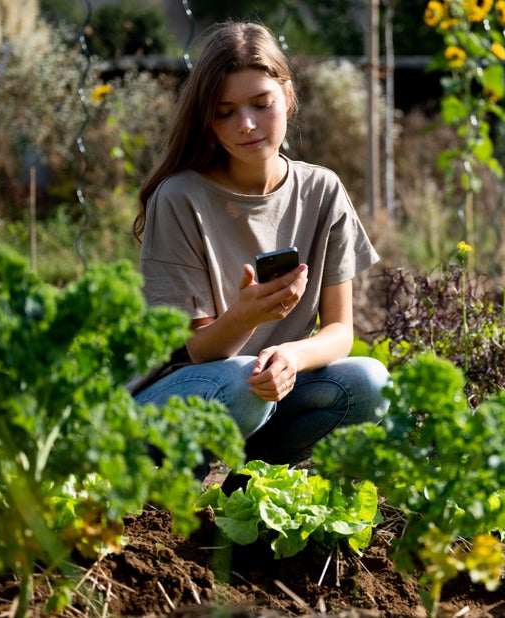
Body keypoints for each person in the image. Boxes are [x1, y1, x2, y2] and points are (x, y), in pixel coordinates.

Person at [130, 21, 390, 478]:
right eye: (225, 111)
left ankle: (252, 484)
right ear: (207, 121)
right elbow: (188, 350)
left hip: (262, 390)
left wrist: (292, 356)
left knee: (371, 383)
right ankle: (166, 488)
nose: (245, 124)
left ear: (287, 96)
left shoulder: (322, 190)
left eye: (260, 103)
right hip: (174, 400)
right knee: (245, 381)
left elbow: (340, 331)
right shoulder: (179, 197)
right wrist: (245, 318)